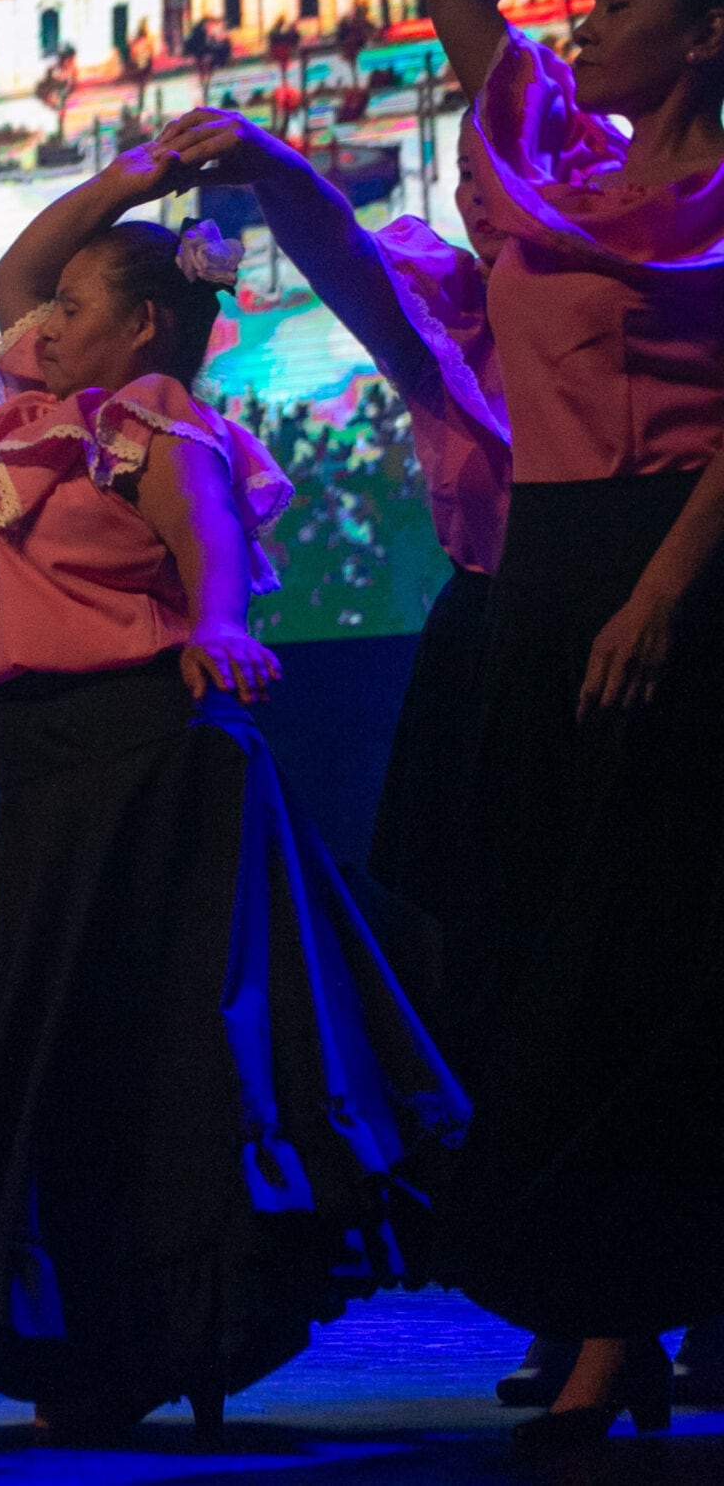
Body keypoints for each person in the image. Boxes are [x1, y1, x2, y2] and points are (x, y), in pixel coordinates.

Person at [0, 146, 467, 1440]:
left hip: (137, 757)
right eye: (44, 317)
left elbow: (205, 536)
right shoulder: (39, 405)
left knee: (140, 1047)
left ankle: (155, 1328)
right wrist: (140, 172)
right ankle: (98, 1325)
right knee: (70, 1039)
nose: (40, 323)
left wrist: (215, 621)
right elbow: (21, 268)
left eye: (72, 312)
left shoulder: (142, 413)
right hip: (47, 765)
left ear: (144, 324)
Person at [419, 0, 724, 1451]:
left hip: (675, 560)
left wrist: (665, 597)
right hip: (541, 561)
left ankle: (622, 1328)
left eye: (619, 4)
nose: (583, 25)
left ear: (704, 37)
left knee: (646, 954)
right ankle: (604, 1302)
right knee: (531, 944)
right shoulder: (544, 150)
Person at [156, 105, 513, 1043]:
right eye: (469, 178)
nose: (481, 197)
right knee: (477, 936)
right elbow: (344, 255)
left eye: (503, 173)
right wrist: (270, 163)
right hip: (494, 637)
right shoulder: (455, 319)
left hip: (631, 623)